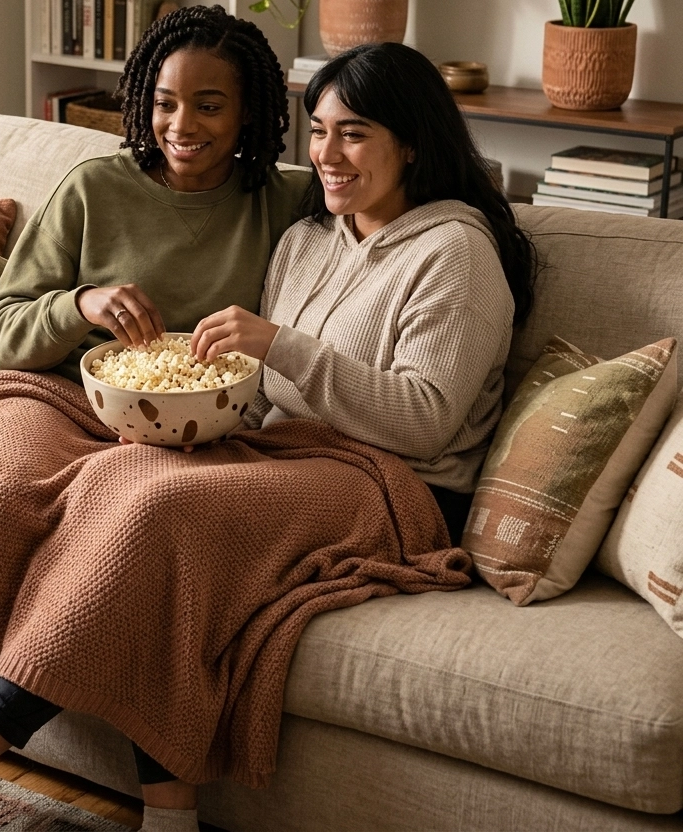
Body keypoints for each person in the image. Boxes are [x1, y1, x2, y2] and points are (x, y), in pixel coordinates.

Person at [0, 4, 310, 832]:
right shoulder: (93, 188)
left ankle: (163, 808)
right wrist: (81, 303)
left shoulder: (287, 202)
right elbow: (1, 332)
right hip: (60, 394)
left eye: (210, 105)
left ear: (250, 111)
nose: (181, 125)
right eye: (165, 102)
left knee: (140, 528)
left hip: (196, 429)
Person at [190, 41, 536, 542]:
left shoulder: (455, 252)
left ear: (412, 143)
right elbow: (262, 401)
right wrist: (208, 437)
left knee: (168, 509)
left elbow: (424, 422)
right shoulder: (304, 240)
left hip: (399, 490)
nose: (326, 154)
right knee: (129, 473)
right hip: (287, 462)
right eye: (318, 131)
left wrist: (280, 345)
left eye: (352, 134)